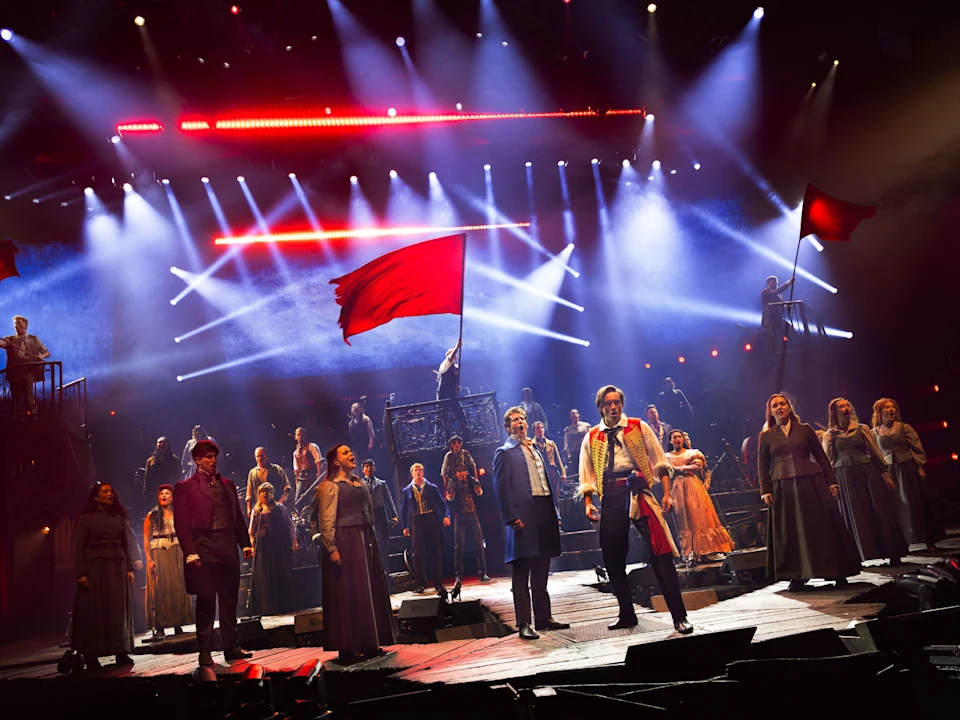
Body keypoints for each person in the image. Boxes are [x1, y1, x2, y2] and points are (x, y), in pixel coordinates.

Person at [578, 386, 692, 634]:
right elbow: (586, 474)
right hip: (611, 497)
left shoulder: (639, 426)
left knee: (660, 553)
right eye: (608, 403)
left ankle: (679, 616)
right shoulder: (593, 436)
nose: (613, 407)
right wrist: (589, 503)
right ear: (600, 407)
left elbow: (660, 461)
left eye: (617, 402)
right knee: (613, 558)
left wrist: (667, 494)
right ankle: (626, 614)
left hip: (639, 492)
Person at [759, 394, 861, 591]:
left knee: (822, 526)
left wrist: (831, 481)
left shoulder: (805, 430)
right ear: (770, 411)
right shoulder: (766, 436)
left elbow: (821, 457)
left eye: (782, 404)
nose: (779, 408)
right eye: (775, 406)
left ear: (789, 408)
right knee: (791, 530)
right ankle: (797, 576)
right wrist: (765, 490)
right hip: (783, 487)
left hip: (811, 482)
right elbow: (763, 466)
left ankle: (836, 571)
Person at [310, 445, 395, 663]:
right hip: (345, 540)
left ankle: (370, 641)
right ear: (336, 462)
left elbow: (368, 512)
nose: (351, 454)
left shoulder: (359, 484)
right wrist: (332, 548)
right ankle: (350, 644)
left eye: (351, 451)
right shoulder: (330, 487)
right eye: (346, 453)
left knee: (368, 589)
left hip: (364, 537)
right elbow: (326, 520)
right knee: (350, 592)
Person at [173, 440, 254, 667]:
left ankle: (232, 647)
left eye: (214, 456)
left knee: (229, 601)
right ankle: (205, 651)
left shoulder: (227, 484)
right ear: (197, 460)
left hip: (227, 546)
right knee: (207, 601)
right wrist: (190, 552)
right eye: (208, 457)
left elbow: (237, 516)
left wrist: (244, 543)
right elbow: (181, 523)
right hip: (204, 547)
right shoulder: (185, 487)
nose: (213, 460)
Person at [493, 406, 569, 640]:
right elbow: (501, 487)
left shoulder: (536, 448)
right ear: (508, 427)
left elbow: (547, 483)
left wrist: (554, 512)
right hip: (522, 515)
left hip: (543, 509)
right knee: (522, 570)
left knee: (542, 567)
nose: (521, 423)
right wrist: (511, 516)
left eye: (523, 419)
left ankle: (544, 618)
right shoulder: (504, 452)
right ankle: (524, 622)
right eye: (516, 420)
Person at [823, 399, 907, 564]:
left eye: (847, 405)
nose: (846, 408)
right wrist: (831, 483)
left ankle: (892, 552)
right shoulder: (830, 435)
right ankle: (861, 555)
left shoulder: (862, 428)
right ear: (834, 411)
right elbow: (829, 461)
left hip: (867, 473)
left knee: (878, 510)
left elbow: (875, 452)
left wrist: (886, 474)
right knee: (855, 514)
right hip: (844, 477)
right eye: (842, 407)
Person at [71, 483, 135, 670]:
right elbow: (78, 548)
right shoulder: (86, 518)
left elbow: (125, 544)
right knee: (95, 610)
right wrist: (81, 572)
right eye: (105, 492)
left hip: (117, 566)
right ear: (96, 497)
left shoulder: (119, 517)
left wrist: (129, 568)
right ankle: (91, 655)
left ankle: (121, 652)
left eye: (112, 491)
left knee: (117, 609)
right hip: (95, 567)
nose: (110, 494)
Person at [871, 398, 945, 549]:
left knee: (916, 503)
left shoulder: (904, 428)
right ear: (879, 412)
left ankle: (928, 539)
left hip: (907, 468)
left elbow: (916, 447)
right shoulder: (875, 432)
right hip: (889, 471)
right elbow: (876, 453)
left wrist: (919, 466)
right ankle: (902, 541)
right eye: (887, 408)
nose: (891, 410)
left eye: (893, 407)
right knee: (896, 506)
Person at [666, 430, 734, 567]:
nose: (678, 439)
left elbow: (698, 466)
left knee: (699, 516)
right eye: (674, 437)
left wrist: (677, 469)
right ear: (670, 441)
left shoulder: (693, 453)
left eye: (679, 437)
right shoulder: (666, 456)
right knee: (684, 518)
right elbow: (665, 472)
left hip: (692, 485)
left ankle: (705, 549)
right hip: (677, 488)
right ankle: (690, 552)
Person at [143, 485, 193, 640]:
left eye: (167, 493)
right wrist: (149, 559)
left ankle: (177, 623)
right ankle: (159, 625)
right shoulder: (152, 515)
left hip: (177, 549)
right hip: (159, 550)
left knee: (177, 585)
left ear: (172, 497)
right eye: (161, 494)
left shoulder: (179, 513)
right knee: (161, 586)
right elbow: (146, 538)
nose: (164, 496)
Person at [441, 435, 490, 591]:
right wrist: (448, 487)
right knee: (458, 547)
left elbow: (479, 490)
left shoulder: (468, 466)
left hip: (472, 514)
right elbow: (444, 475)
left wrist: (476, 481)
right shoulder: (450, 464)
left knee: (478, 543)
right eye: (454, 444)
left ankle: (483, 572)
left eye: (458, 444)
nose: (456, 446)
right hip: (460, 517)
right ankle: (458, 575)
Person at [399, 463, 451, 599]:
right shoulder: (407, 490)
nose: (418, 472)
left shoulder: (431, 487)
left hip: (431, 520)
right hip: (416, 521)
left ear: (423, 472)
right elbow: (403, 510)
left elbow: (442, 503)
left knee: (436, 552)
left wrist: (446, 516)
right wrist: (404, 526)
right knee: (418, 554)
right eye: (416, 470)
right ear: (412, 473)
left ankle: (439, 583)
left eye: (420, 470)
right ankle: (420, 583)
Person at [249, 483, 297, 615]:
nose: (265, 494)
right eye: (262, 492)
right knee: (265, 574)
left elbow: (290, 525)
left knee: (279, 572)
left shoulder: (279, 508)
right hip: (263, 546)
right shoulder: (256, 510)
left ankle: (282, 605)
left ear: (272, 493)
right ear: (259, 495)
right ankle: (267, 607)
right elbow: (251, 530)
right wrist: (252, 545)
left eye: (268, 492)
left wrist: (294, 540)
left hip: (279, 544)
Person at [361, 459, 399, 590]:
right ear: (363, 470)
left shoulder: (381, 483)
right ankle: (374, 572)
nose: (369, 469)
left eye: (371, 466)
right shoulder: (360, 485)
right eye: (366, 467)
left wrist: (394, 515)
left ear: (374, 468)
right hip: (368, 514)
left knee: (384, 542)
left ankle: (386, 571)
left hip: (381, 512)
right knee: (371, 542)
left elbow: (389, 499)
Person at [0, 315, 50, 416]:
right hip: (15, 371)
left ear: (25, 325)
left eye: (18, 323)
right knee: (16, 395)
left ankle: (32, 414)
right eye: (15, 323)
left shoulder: (34, 339)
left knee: (28, 393)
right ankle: (17, 416)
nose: (16, 325)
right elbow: (2, 344)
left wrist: (41, 356)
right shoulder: (10, 339)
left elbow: (47, 353)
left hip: (28, 370)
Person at [436, 339, 471, 440]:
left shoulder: (455, 367)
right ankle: (441, 440)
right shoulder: (445, 364)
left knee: (461, 415)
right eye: (453, 354)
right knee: (442, 419)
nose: (454, 356)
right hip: (443, 396)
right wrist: (457, 347)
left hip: (451, 396)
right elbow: (450, 358)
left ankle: (467, 436)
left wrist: (456, 388)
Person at [246, 447, 292, 516]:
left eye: (262, 455)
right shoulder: (252, 473)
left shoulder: (276, 469)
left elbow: (286, 486)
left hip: (275, 505)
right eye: (257, 456)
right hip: (260, 508)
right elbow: (249, 492)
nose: (260, 458)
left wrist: (282, 500)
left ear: (266, 456)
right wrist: (248, 507)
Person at [761, 275, 795, 353]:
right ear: (768, 283)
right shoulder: (765, 292)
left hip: (778, 318)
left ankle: (790, 348)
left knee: (789, 330)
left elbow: (781, 305)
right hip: (769, 318)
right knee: (772, 336)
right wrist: (788, 283)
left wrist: (787, 306)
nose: (776, 284)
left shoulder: (779, 295)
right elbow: (774, 292)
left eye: (776, 283)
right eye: (774, 282)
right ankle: (769, 355)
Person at [293, 427, 325, 506]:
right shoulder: (296, 452)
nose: (300, 437)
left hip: (311, 474)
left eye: (302, 435)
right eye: (298, 435)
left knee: (312, 497)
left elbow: (318, 461)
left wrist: (318, 476)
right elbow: (296, 469)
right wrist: (296, 482)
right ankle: (303, 516)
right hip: (302, 476)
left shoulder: (311, 446)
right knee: (298, 500)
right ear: (295, 437)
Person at [532, 421, 565, 491]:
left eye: (541, 427)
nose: (540, 429)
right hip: (540, 473)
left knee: (555, 492)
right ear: (534, 431)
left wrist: (563, 473)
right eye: (537, 428)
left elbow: (558, 459)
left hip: (552, 471)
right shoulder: (531, 445)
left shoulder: (551, 443)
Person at [563, 409, 591, 476]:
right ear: (570, 417)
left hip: (585, 451)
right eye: (572, 413)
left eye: (576, 413)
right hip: (574, 453)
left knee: (587, 470)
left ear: (579, 415)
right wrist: (567, 454)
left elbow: (591, 438)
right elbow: (566, 443)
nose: (574, 415)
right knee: (577, 472)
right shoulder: (568, 429)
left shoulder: (585, 426)